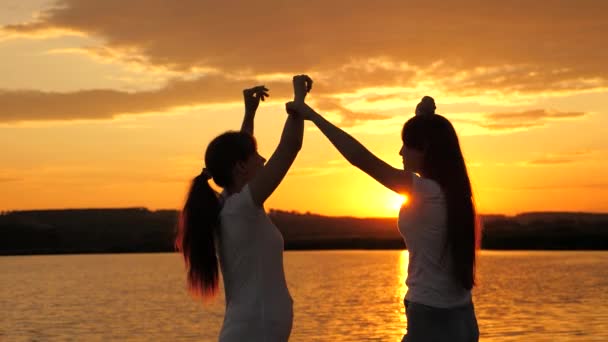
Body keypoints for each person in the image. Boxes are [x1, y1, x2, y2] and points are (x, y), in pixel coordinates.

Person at [287, 95, 480, 341]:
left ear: (425, 149)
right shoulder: (455, 193)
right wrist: (421, 119)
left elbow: (360, 158)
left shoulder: (421, 190)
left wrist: (312, 115)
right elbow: (432, 139)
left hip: (430, 318)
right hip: (462, 318)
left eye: (406, 145)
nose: (400, 151)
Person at [176, 75, 313, 342]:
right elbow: (289, 148)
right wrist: (299, 102)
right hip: (254, 330)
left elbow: (238, 153)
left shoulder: (229, 205)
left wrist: (250, 114)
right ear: (240, 167)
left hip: (252, 329)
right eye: (257, 157)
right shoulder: (240, 208)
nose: (263, 161)